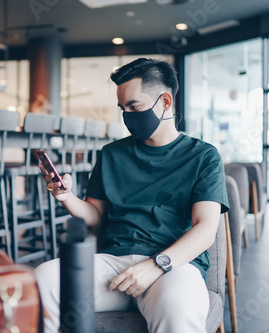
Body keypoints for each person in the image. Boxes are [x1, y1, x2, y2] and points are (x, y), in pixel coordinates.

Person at [35, 58, 229, 333]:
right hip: (113, 264)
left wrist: (157, 265)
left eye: (134, 107)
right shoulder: (112, 154)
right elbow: (95, 216)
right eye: (122, 108)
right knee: (43, 279)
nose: (127, 116)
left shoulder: (203, 156)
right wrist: (67, 198)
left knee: (177, 310)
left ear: (165, 101)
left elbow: (206, 228)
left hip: (174, 265)